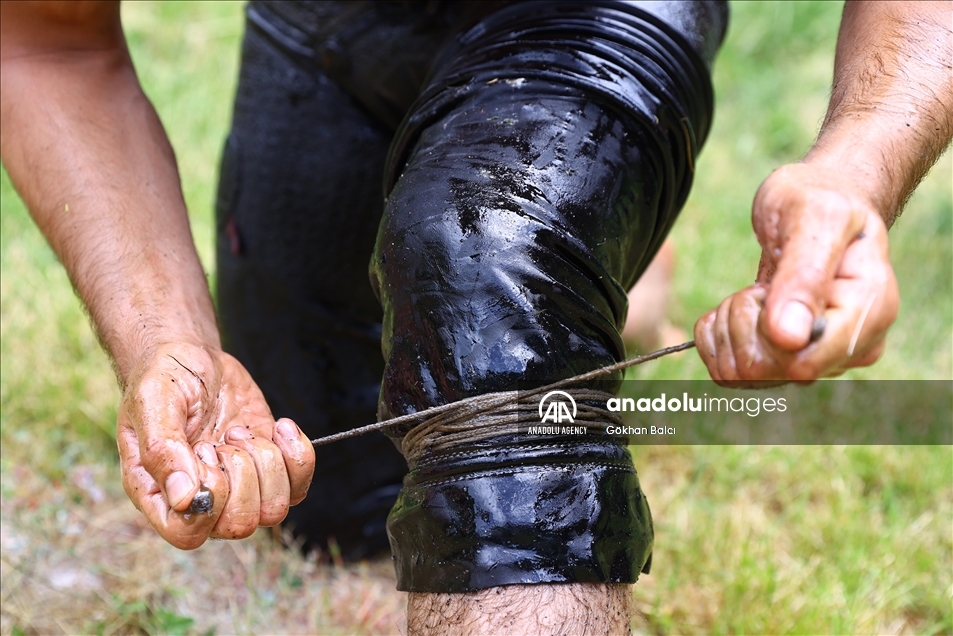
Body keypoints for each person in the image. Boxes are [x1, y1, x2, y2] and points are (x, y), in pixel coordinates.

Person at [1, 1, 950, 634]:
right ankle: (605, 264)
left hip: (593, 13)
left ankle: (563, 245)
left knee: (485, 269)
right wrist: (167, 340)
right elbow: (47, 40)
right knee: (325, 516)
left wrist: (851, 171)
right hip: (329, 24)